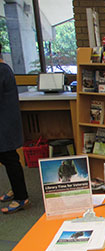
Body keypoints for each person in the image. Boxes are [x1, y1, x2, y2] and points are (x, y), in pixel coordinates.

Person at [0, 43, 30, 214]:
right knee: (6, 158)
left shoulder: (2, 70)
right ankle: (15, 188)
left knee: (10, 158)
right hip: (5, 122)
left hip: (5, 124)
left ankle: (21, 196)